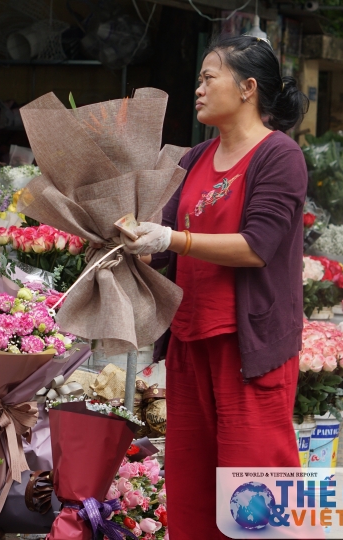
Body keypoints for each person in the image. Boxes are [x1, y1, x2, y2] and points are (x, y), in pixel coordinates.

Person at [122, 35, 309, 539]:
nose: (198, 89)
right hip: (190, 341)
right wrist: (122, 235)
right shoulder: (196, 157)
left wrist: (173, 238)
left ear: (248, 88)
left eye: (209, 78)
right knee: (194, 490)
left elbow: (256, 245)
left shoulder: (279, 156)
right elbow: (163, 245)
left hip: (248, 348)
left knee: (255, 493)